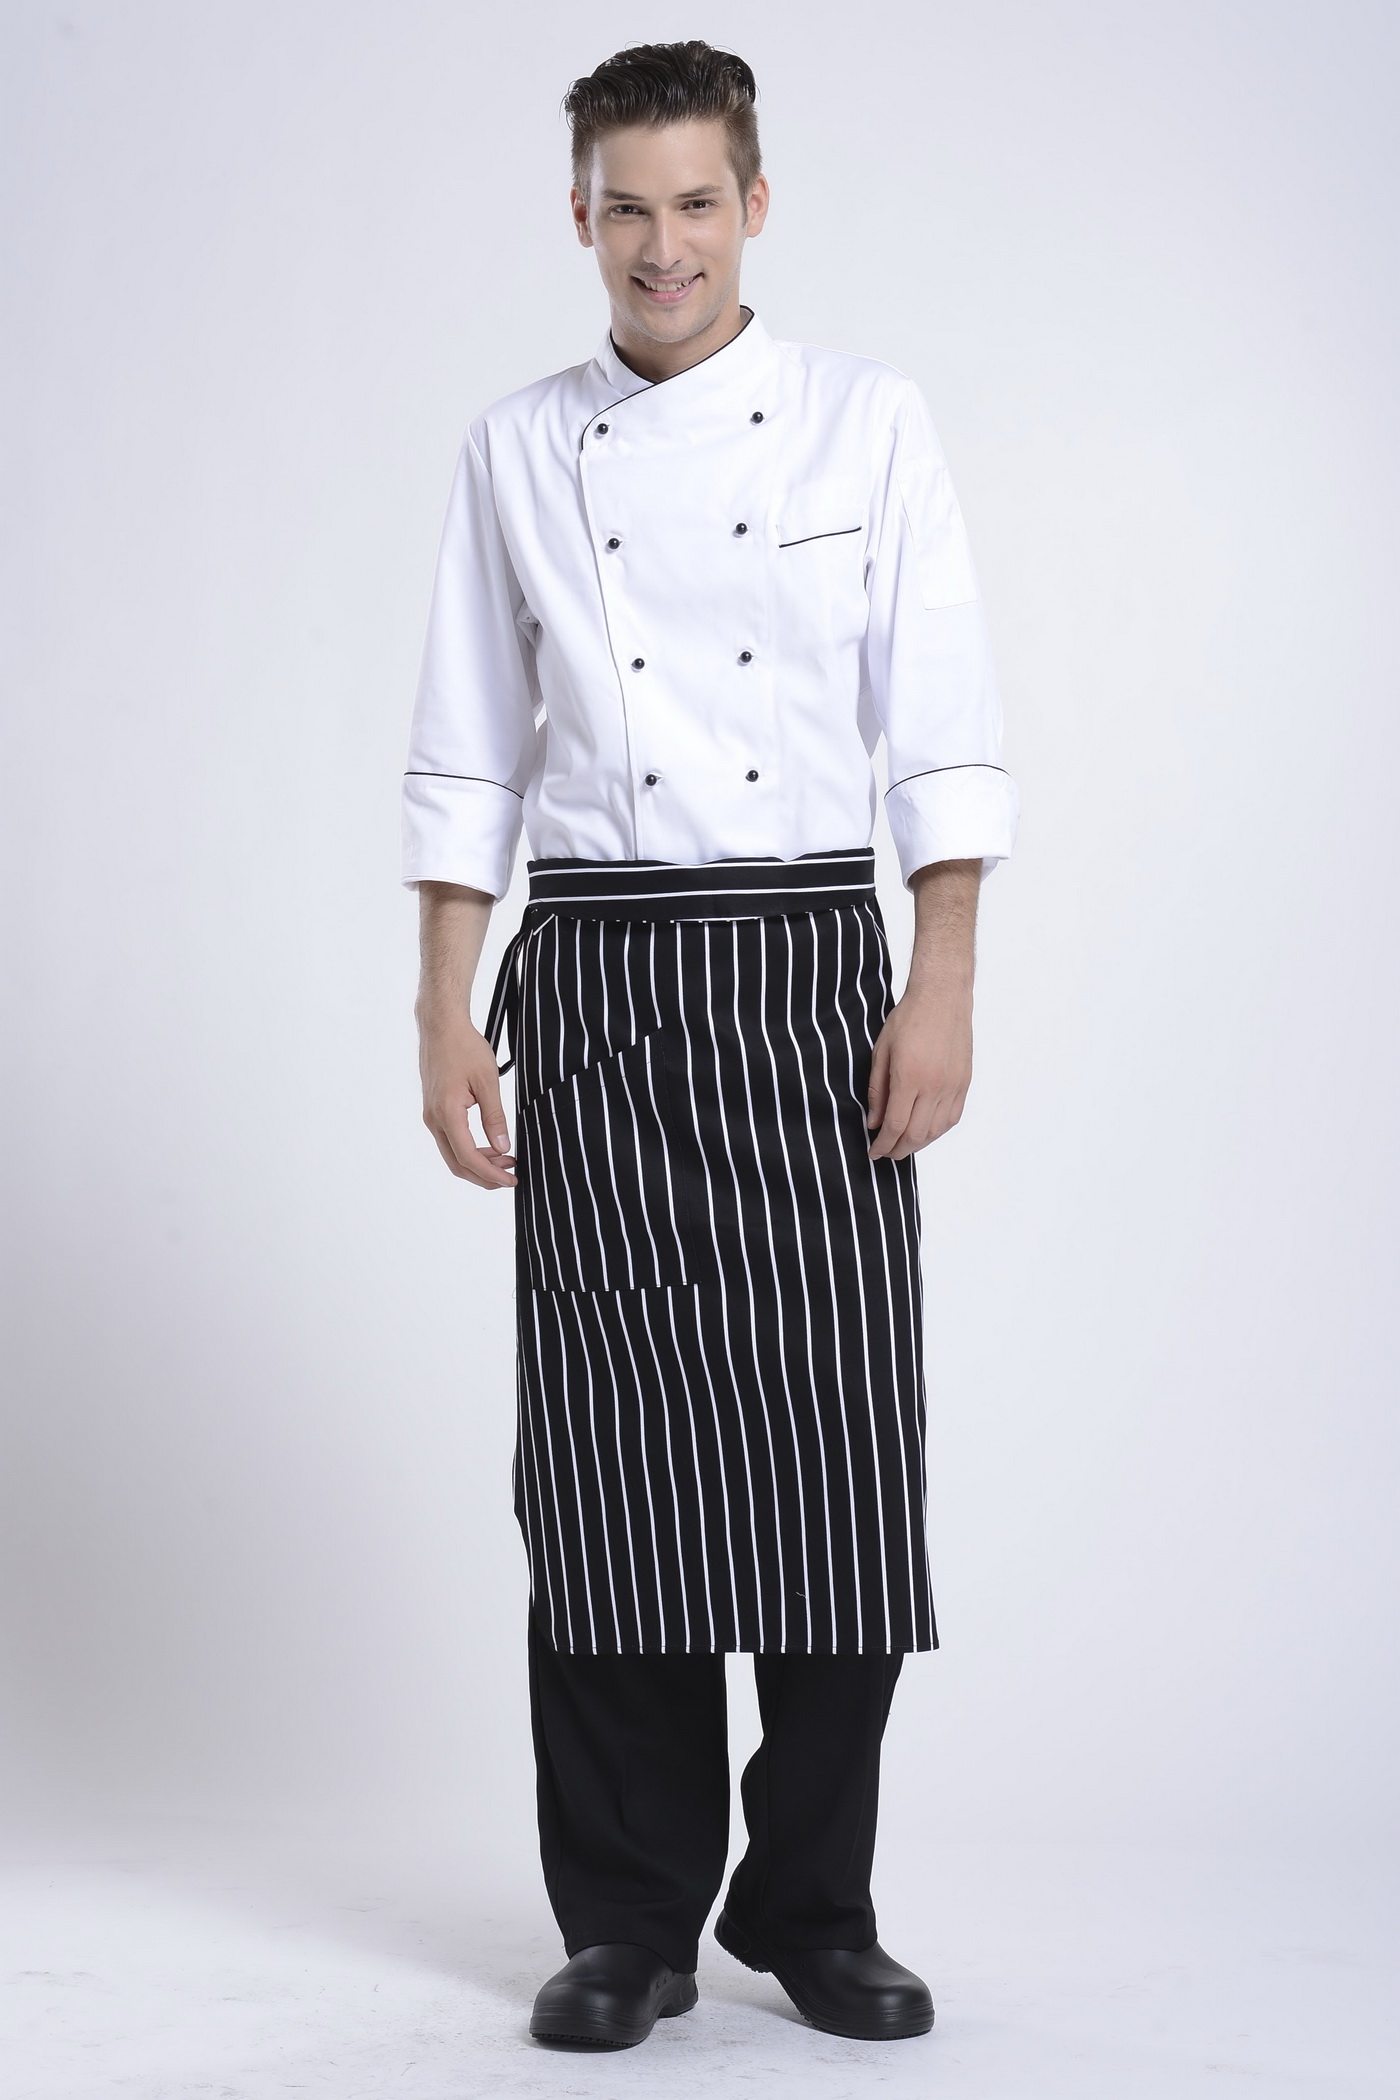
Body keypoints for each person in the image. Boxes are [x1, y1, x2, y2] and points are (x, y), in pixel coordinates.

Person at [401, 38, 1018, 2051]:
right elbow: (469, 755)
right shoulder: (514, 448)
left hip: (807, 968)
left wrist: (941, 979)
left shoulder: (865, 422)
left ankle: (811, 1902)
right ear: (577, 217)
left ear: (753, 205)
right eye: (624, 207)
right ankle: (631, 1920)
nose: (660, 244)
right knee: (606, 1468)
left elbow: (939, 723)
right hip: (594, 974)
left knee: (839, 1456)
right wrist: (440, 1007)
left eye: (693, 203)